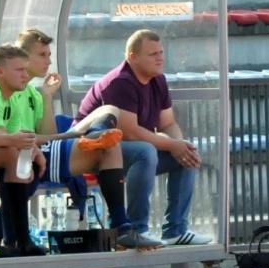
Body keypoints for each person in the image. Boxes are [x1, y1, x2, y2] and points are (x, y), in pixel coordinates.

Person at [16, 30, 162, 251]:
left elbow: (47, 134)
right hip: (32, 157)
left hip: (50, 148)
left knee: (109, 112)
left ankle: (97, 134)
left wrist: (46, 96)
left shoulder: (34, 93)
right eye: (42, 55)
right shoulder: (0, 89)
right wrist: (68, 136)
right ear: (24, 56)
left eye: (49, 55)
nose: (49, 61)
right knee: (113, 146)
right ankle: (122, 226)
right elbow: (35, 139)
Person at [76, 29, 212, 246]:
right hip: (90, 150)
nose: (160, 58)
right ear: (133, 57)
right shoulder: (120, 82)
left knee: (188, 153)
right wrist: (172, 145)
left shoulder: (158, 80)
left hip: (124, 148)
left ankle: (176, 230)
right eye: (152, 54)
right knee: (144, 152)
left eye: (161, 52)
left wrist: (179, 145)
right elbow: (129, 132)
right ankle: (136, 228)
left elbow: (167, 124)